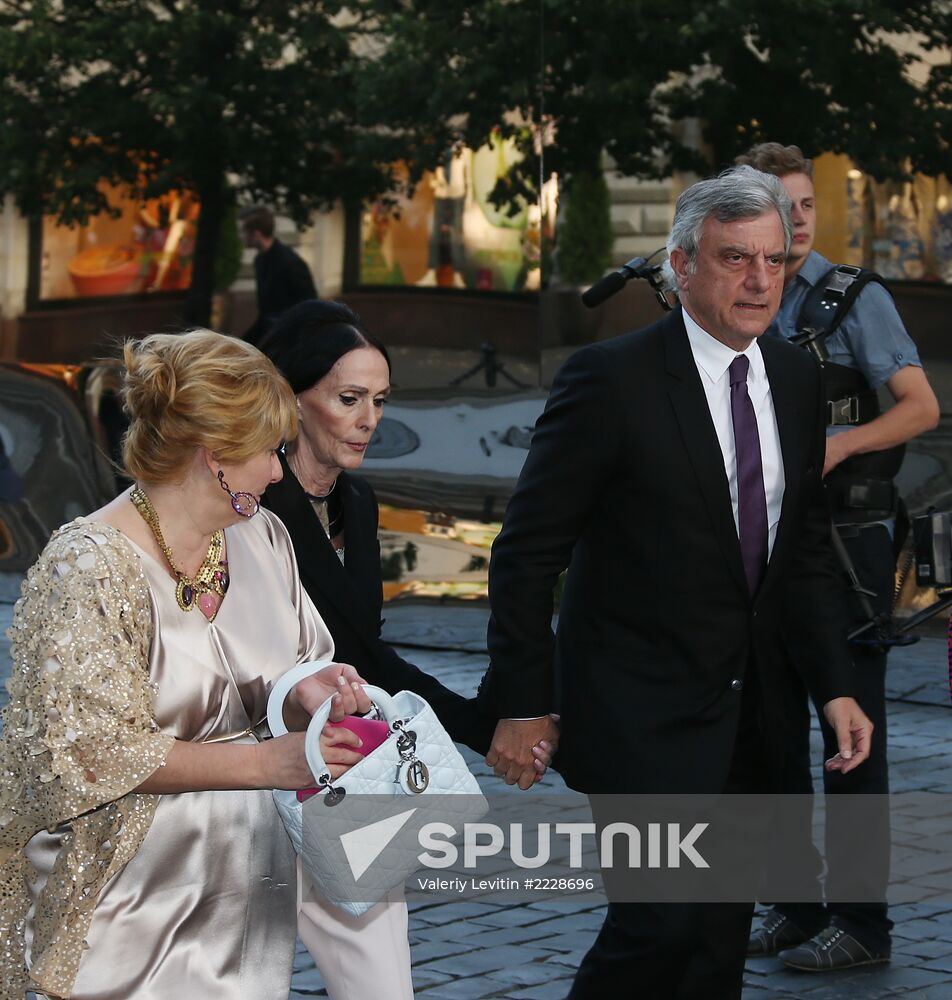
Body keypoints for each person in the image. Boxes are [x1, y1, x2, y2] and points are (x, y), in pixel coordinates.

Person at [476, 165, 873, 999]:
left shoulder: (799, 382)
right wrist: (520, 699)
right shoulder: (609, 380)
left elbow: (797, 552)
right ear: (682, 265)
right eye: (735, 259)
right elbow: (526, 552)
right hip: (641, 713)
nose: (760, 279)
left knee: (716, 941)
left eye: (774, 259)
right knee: (656, 928)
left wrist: (834, 684)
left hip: (751, 718)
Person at [0, 330, 381, 1000]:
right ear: (215, 457)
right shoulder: (87, 565)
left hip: (248, 893)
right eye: (269, 451)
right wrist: (267, 763)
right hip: (124, 903)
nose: (276, 472)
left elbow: (293, 661)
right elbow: (80, 756)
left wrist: (303, 691)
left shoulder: (262, 535)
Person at [257, 299, 553, 995]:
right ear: (293, 401)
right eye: (349, 398)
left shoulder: (356, 505)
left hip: (345, 775)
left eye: (380, 401)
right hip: (246, 770)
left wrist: (489, 733)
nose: (370, 420)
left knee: (380, 977)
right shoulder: (249, 504)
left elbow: (374, 658)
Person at [738, 143, 939, 970]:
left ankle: (862, 924)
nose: (793, 221)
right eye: (775, 206)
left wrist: (840, 442)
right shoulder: (738, 294)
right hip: (766, 543)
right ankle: (792, 903)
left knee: (850, 734)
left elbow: (922, 406)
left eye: (804, 206)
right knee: (769, 731)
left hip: (850, 542)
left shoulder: (852, 296)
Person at [241, 205, 318, 347]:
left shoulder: (290, 262)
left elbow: (309, 303)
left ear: (256, 234)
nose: (243, 237)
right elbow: (265, 312)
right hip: (271, 332)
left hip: (290, 337)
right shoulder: (260, 260)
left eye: (246, 232)